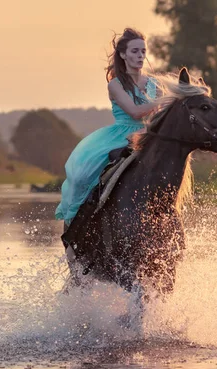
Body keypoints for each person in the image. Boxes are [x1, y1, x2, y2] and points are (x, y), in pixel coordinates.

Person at [55, 28, 161, 224]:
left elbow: (160, 116)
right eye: (135, 51)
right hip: (121, 134)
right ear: (123, 55)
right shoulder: (116, 84)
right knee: (82, 177)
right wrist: (164, 101)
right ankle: (75, 226)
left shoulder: (155, 84)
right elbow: (135, 112)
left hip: (149, 133)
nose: (140, 56)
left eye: (143, 51)